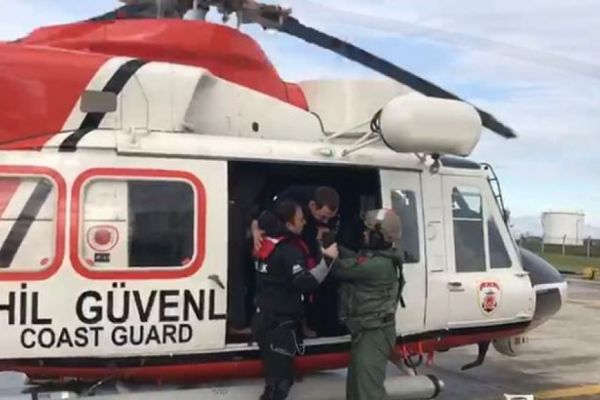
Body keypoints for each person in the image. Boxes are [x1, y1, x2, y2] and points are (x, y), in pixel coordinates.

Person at [252, 200, 339, 400]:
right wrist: (327, 260)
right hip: (279, 324)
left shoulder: (266, 243)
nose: (304, 223)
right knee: (280, 383)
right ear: (288, 224)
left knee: (273, 379)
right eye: (300, 220)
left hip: (263, 318)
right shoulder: (289, 249)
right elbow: (304, 283)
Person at [331, 209, 404, 400]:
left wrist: (324, 248)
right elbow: (355, 259)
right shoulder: (380, 258)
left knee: (368, 393)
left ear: (380, 237)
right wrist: (335, 244)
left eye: (369, 231)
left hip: (374, 334)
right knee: (356, 391)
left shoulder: (378, 266)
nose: (364, 234)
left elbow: (338, 269)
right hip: (367, 331)